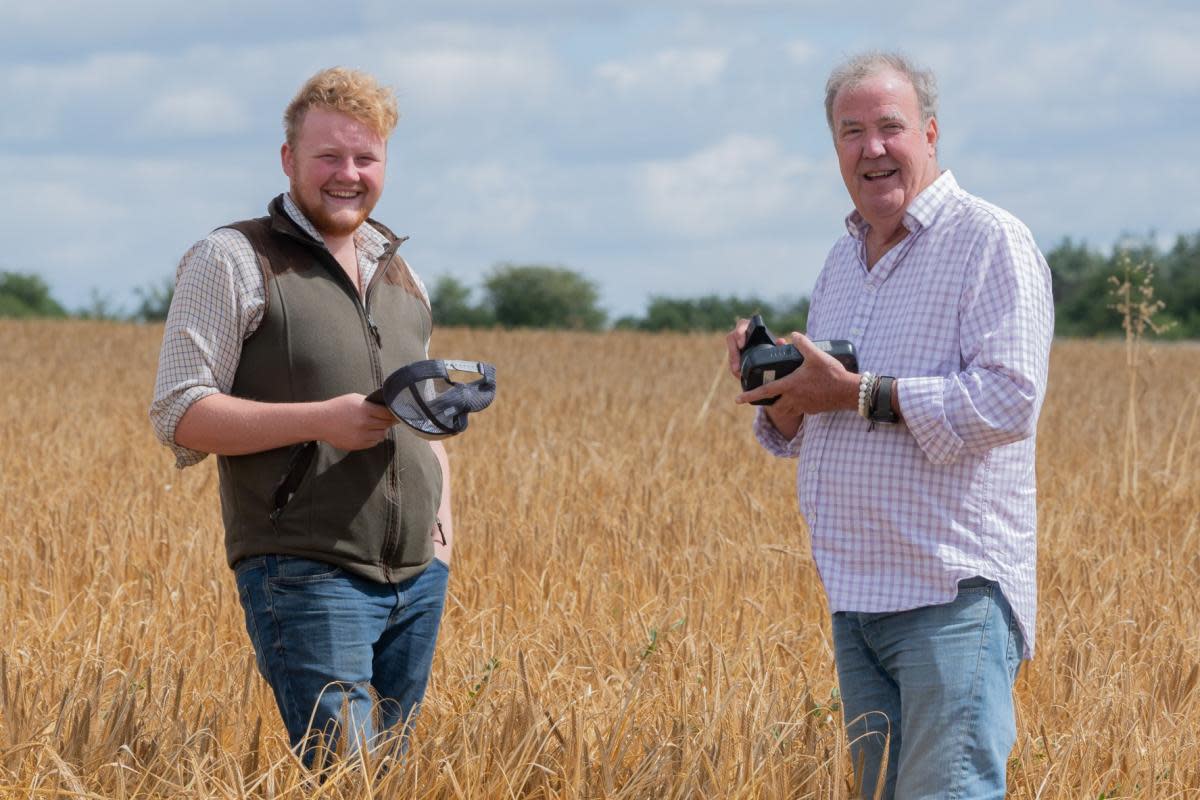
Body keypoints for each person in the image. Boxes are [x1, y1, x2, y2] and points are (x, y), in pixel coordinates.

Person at [726, 51, 1053, 798]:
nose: (871, 148)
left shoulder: (988, 240)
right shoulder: (841, 263)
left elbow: (1007, 400)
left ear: (930, 133)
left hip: (951, 595)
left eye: (890, 127)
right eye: (851, 132)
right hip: (857, 598)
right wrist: (774, 386)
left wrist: (859, 393)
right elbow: (814, 417)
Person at [150, 67, 453, 766]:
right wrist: (323, 419)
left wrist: (442, 540)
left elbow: (422, 421)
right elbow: (179, 411)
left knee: (392, 775)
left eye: (365, 158)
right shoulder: (231, 257)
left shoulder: (402, 274)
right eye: (328, 157)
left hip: (415, 575)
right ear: (289, 161)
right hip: (306, 572)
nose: (348, 174)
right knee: (347, 775)